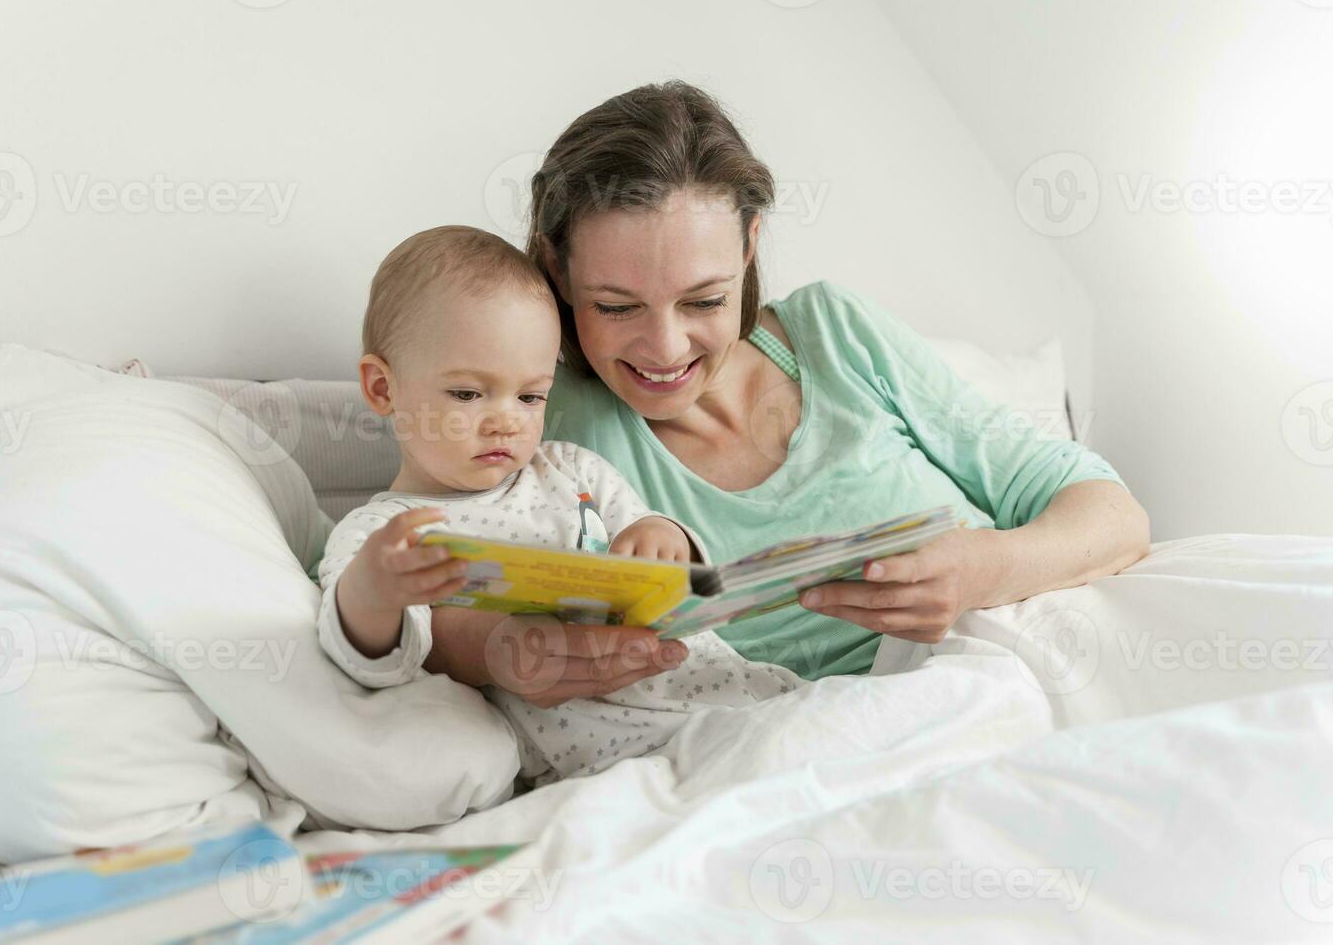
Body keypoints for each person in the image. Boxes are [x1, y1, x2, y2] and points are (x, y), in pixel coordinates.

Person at [421, 80, 1152, 697]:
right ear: (555, 268)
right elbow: (424, 601)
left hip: (1032, 660)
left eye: (704, 300)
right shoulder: (535, 414)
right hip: (841, 737)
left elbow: (1110, 514)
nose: (667, 348)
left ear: (747, 247)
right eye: (616, 307)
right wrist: (516, 656)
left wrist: (983, 571)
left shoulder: (836, 334)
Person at [317, 224, 804, 786]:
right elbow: (364, 654)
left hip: (735, 693)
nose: (505, 419)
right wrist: (375, 593)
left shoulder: (571, 469)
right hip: (619, 759)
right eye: (468, 394)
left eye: (530, 396)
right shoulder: (386, 533)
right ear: (382, 389)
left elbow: (663, 545)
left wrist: (662, 537)